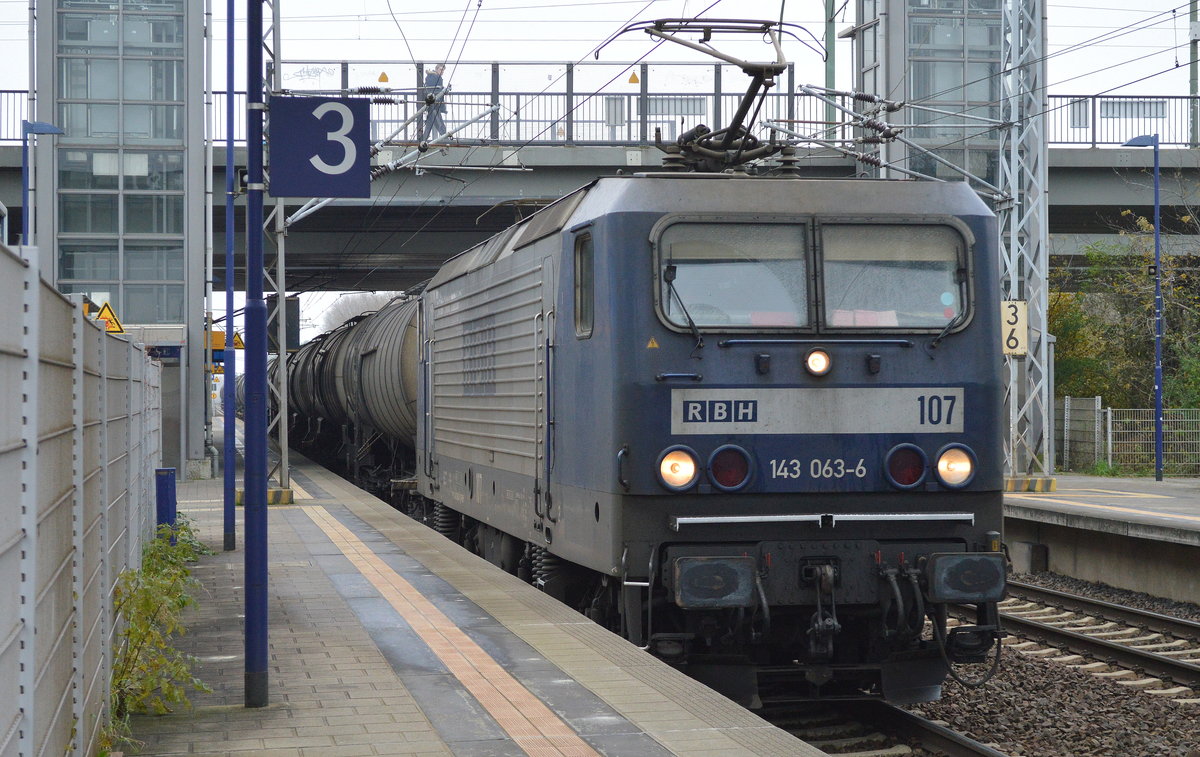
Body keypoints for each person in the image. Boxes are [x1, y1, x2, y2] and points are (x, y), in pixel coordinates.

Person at [421, 63, 448, 142]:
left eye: (443, 70)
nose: (442, 71)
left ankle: (423, 139)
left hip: (433, 103)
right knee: (438, 122)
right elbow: (433, 90)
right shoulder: (434, 77)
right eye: (440, 69)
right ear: (436, 69)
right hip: (434, 103)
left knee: (431, 122)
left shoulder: (432, 77)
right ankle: (445, 138)